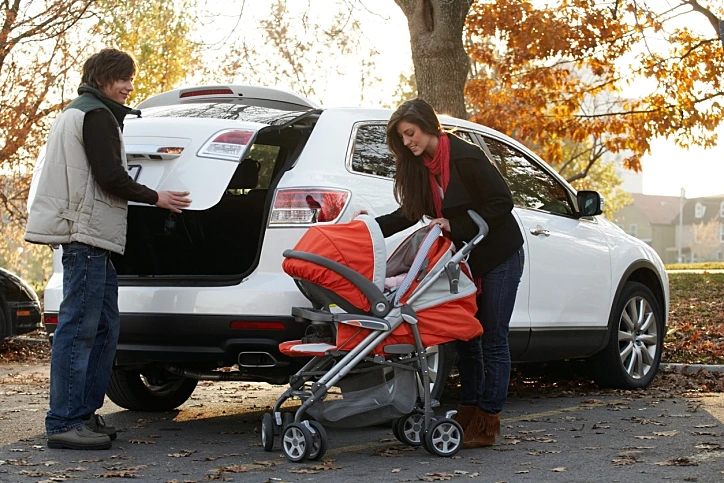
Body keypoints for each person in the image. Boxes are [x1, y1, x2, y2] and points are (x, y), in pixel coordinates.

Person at [24, 48, 192, 450]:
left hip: (91, 238)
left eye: (130, 78)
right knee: (80, 330)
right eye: (122, 78)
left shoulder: (76, 112)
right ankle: (64, 421)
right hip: (86, 236)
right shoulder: (95, 115)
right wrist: (157, 197)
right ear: (102, 79)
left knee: (102, 327)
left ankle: (82, 414)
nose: (129, 87)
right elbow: (110, 176)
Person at [368, 98, 524, 448]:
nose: (407, 142)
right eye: (402, 138)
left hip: (499, 254)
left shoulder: (465, 157)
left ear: (427, 124)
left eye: (410, 133)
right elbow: (408, 214)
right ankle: (468, 412)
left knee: (493, 338)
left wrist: (457, 223)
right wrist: (366, 229)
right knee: (466, 336)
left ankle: (487, 422)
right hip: (465, 262)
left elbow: (502, 201)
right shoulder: (420, 168)